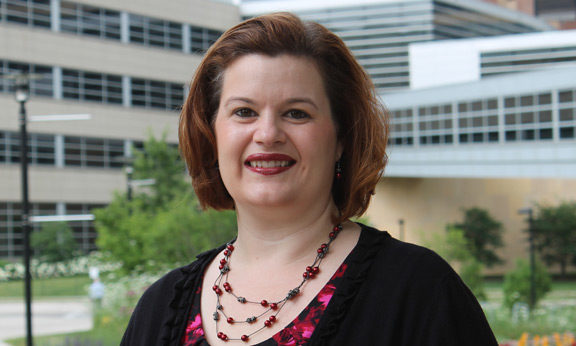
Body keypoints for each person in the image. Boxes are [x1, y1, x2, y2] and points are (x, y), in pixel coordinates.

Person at [121, 13, 497, 346]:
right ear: (212, 136)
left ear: (340, 140)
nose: (268, 134)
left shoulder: (419, 292)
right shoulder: (161, 307)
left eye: (297, 113)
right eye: (244, 111)